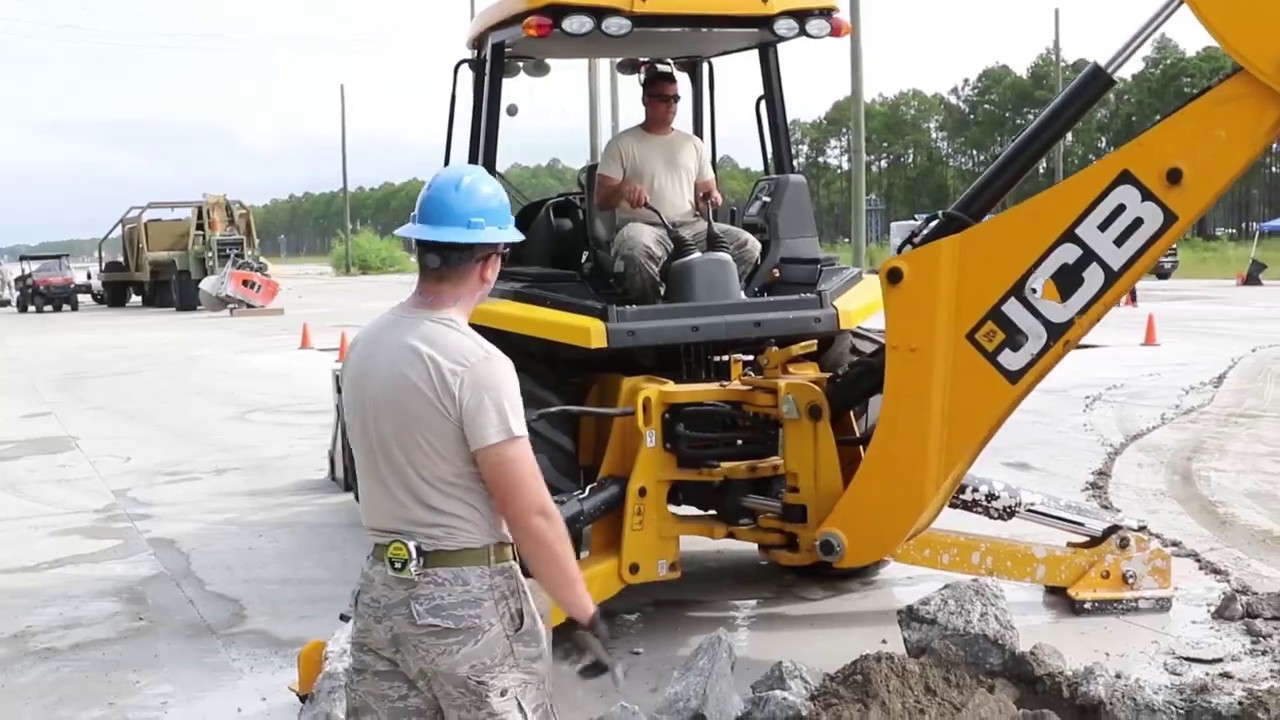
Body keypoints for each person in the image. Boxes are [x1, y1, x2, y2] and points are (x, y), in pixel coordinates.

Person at [339, 163, 611, 718]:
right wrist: (584, 612)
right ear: (491, 264)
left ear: (419, 249)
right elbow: (531, 512)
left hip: (382, 594)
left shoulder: (365, 347)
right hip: (464, 601)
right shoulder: (476, 364)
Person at [594, 69, 762, 303]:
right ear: (646, 101)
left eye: (675, 99)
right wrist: (623, 189)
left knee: (748, 245)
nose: (671, 104)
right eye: (664, 99)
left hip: (692, 227)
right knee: (635, 250)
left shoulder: (692, 144)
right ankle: (652, 313)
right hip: (644, 226)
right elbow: (601, 200)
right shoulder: (622, 144)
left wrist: (712, 198)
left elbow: (707, 198)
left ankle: (714, 302)